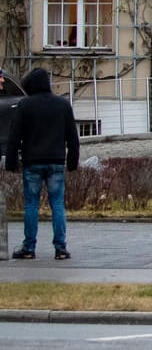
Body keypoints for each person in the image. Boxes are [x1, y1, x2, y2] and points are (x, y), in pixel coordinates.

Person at [5, 69, 81, 260]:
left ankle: (29, 247)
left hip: (32, 162)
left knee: (31, 205)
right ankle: (60, 248)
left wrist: (11, 162)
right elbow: (73, 137)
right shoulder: (62, 105)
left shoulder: (25, 106)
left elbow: (14, 137)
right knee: (57, 204)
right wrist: (72, 161)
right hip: (56, 161)